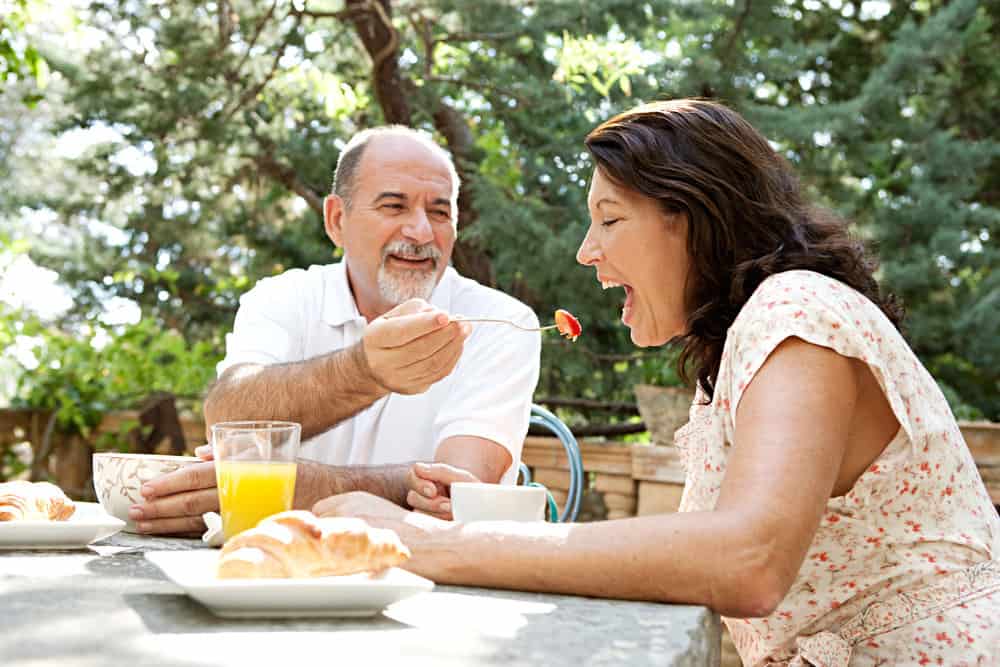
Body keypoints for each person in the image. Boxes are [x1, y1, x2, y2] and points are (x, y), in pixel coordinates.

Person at [314, 100, 1000, 665]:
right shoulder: (741, 349)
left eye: (609, 218)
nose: (588, 251)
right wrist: (482, 520)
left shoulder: (797, 311)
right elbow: (689, 555)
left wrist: (420, 543)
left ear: (694, 217)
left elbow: (748, 560)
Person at [132, 126, 541, 535]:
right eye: (394, 206)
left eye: (439, 212)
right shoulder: (283, 297)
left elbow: (456, 497)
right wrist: (363, 370)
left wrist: (297, 486)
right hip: (274, 568)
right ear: (336, 219)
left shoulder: (502, 322)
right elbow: (229, 421)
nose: (421, 232)